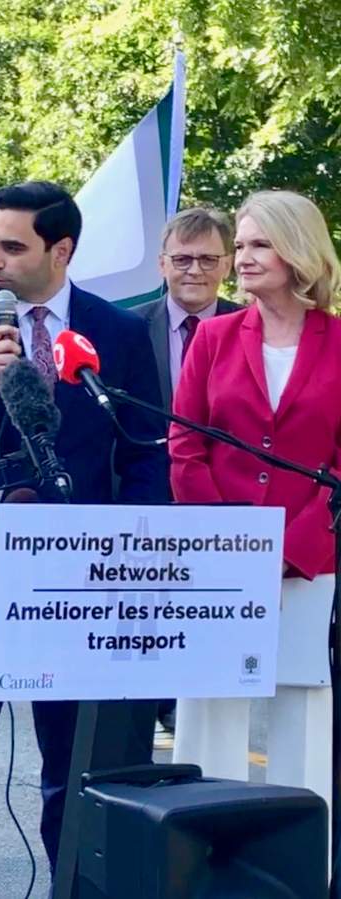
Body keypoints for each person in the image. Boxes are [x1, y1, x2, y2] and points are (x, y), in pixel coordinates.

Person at [0, 180, 170, 899]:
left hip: (79, 583)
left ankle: (73, 883)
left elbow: (146, 452)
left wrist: (119, 548)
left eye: (12, 246)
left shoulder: (117, 332)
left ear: (62, 249)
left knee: (72, 761)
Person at [169, 189, 341, 808]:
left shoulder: (339, 341)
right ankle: (198, 857)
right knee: (211, 707)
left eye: (259, 244)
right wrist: (230, 541)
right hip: (218, 561)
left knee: (303, 710)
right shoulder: (213, 338)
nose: (241, 257)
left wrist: (290, 547)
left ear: (298, 250)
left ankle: (301, 867)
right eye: (239, 245)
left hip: (310, 564)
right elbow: (186, 444)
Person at [132, 206, 243, 741]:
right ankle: (146, 698)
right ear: (161, 264)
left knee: (202, 611)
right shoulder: (128, 329)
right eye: (181, 258)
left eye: (206, 259)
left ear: (227, 265)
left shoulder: (254, 331)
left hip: (221, 499)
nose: (193, 270)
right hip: (145, 496)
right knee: (145, 607)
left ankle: (186, 704)